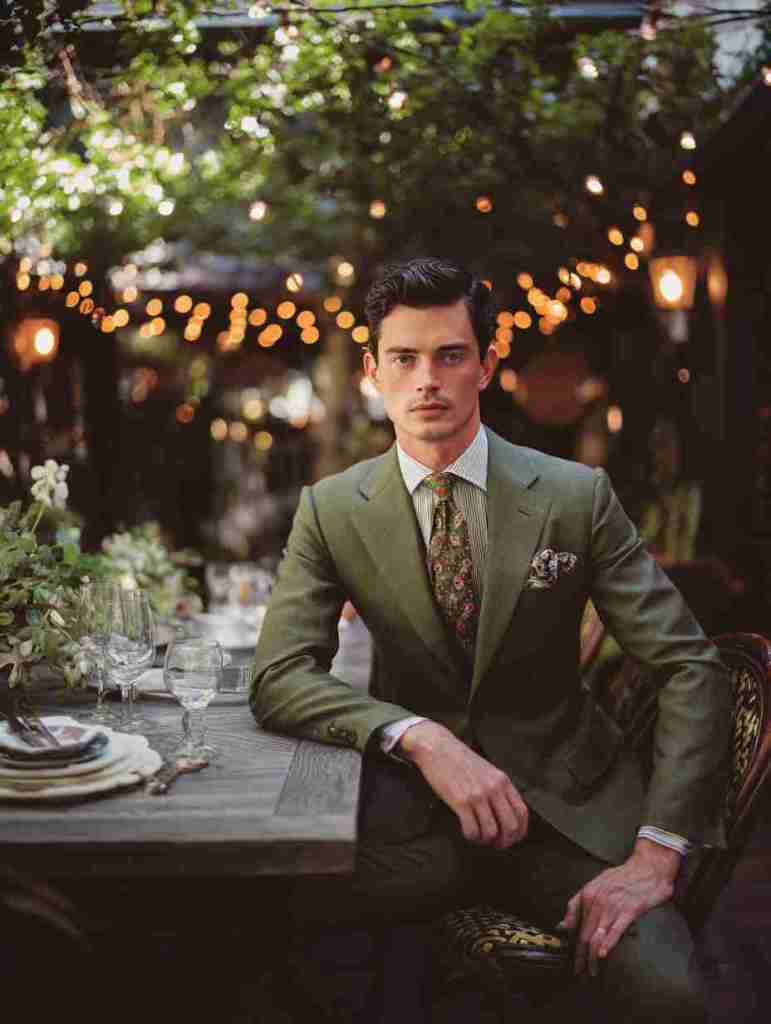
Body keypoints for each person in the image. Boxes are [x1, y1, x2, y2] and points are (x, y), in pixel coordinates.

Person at [250, 257, 732, 1024]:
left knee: (668, 998)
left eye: (450, 355)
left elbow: (689, 667)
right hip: (408, 824)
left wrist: (657, 851)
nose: (426, 380)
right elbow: (279, 675)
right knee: (244, 935)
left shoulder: (573, 496)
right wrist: (418, 738)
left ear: (486, 364)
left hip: (567, 819)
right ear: (373, 372)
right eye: (403, 358)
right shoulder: (331, 509)